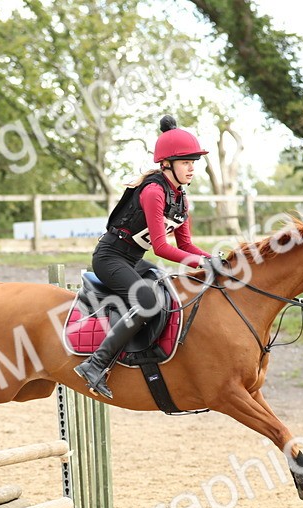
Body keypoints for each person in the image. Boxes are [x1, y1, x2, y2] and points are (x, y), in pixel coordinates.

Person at [73, 115, 213, 400]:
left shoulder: (181, 199)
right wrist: (199, 263)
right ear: (167, 164)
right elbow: (162, 248)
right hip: (110, 257)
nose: (191, 168)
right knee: (147, 301)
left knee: (168, 289)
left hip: (133, 260)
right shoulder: (153, 192)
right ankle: (95, 365)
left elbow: (186, 244)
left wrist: (216, 260)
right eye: (186, 162)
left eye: (193, 162)